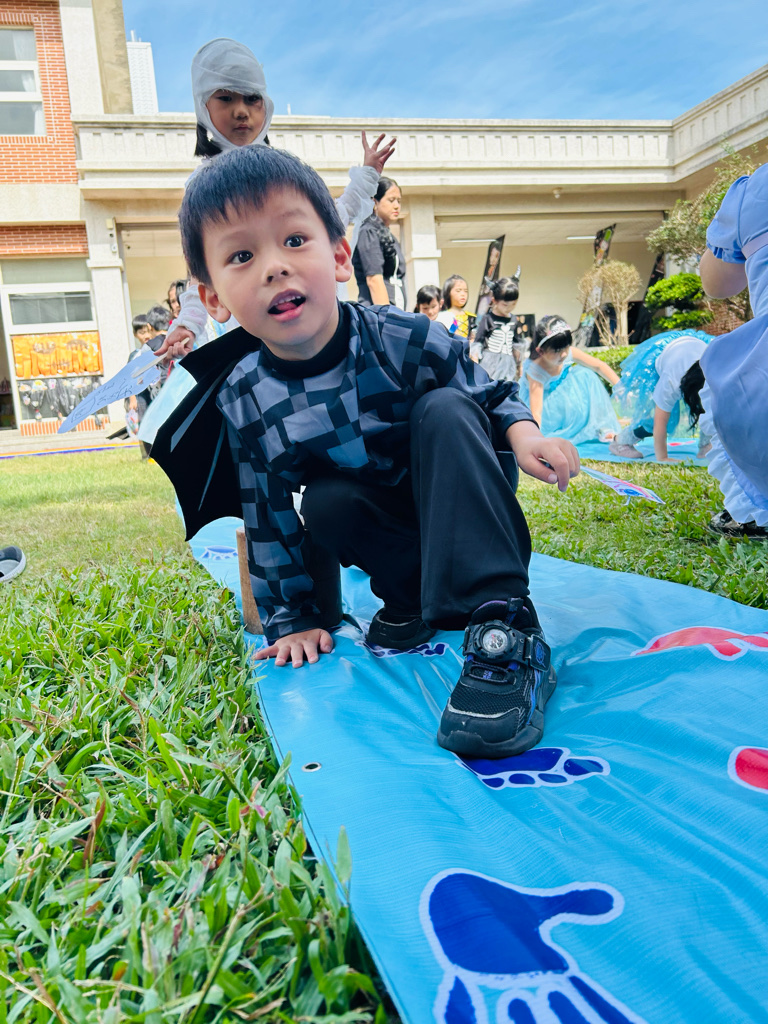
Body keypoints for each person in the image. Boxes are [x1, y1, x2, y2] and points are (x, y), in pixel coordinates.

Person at [176, 144, 580, 759]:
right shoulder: (246, 397)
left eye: (294, 241)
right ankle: (410, 598)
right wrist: (294, 619)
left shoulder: (404, 337)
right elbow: (267, 509)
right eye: (241, 255)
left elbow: (488, 392)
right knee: (326, 502)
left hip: (464, 492)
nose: (274, 268)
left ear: (339, 255)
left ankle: (505, 625)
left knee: (445, 409)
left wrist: (526, 435)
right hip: (385, 520)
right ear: (213, 300)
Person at [157, 37, 396, 359]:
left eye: (252, 98)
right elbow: (201, 273)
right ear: (203, 106)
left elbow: (332, 218)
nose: (241, 111)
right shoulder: (202, 191)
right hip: (260, 349)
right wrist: (187, 324)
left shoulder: (286, 173)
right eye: (225, 97)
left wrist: (366, 178)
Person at [697, 164, 768, 539]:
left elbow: (716, 284)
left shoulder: (756, 189)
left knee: (732, 387)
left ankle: (754, 511)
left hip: (761, 390)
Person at [610, 330, 712, 461]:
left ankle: (705, 445)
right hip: (665, 353)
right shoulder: (671, 382)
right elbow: (660, 423)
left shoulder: (715, 373)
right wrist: (663, 457)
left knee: (711, 409)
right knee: (665, 421)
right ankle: (621, 441)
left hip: (693, 346)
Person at [518, 316, 620, 444]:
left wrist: (619, 386)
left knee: (586, 375)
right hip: (547, 406)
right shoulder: (536, 370)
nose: (564, 354)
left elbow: (598, 366)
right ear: (541, 351)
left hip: (567, 394)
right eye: (557, 351)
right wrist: (536, 440)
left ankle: (601, 426)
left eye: (566, 347)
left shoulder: (568, 352)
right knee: (549, 432)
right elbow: (536, 411)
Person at [352, 177, 406, 308]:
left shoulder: (390, 237)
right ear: (374, 202)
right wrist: (387, 317)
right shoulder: (368, 232)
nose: (396, 206)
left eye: (399, 201)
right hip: (378, 313)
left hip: (394, 310)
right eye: (391, 200)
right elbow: (374, 280)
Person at [471, 276, 527, 379]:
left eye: (514, 304)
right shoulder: (488, 319)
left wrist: (520, 365)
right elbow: (478, 342)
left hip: (508, 365)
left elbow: (516, 344)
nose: (509, 308)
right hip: (489, 365)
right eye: (505, 305)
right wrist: (475, 362)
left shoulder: (514, 320)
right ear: (495, 300)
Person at [437, 275, 476, 342]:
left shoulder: (472, 317)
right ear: (448, 293)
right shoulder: (444, 316)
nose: (463, 294)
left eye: (465, 291)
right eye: (458, 291)